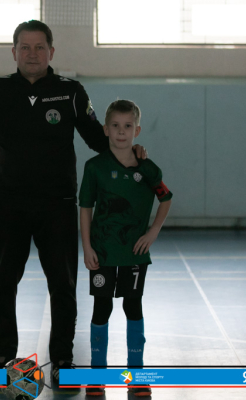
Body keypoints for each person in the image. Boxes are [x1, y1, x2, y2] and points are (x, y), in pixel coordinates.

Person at [0, 20, 147, 382]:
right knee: (3, 284)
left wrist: (131, 150)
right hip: (10, 204)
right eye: (25, 47)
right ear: (14, 52)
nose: (32, 54)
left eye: (39, 47)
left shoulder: (70, 92)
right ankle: (4, 356)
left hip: (57, 205)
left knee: (63, 285)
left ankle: (62, 358)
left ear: (51, 52)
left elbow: (98, 139)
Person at [78, 100, 172, 397]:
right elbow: (85, 208)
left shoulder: (147, 169)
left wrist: (153, 232)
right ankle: (97, 375)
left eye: (128, 126)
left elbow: (166, 198)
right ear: (106, 129)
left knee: (133, 307)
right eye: (115, 126)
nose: (121, 132)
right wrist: (86, 246)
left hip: (134, 252)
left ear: (137, 131)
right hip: (102, 252)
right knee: (101, 308)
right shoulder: (95, 167)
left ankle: (137, 375)